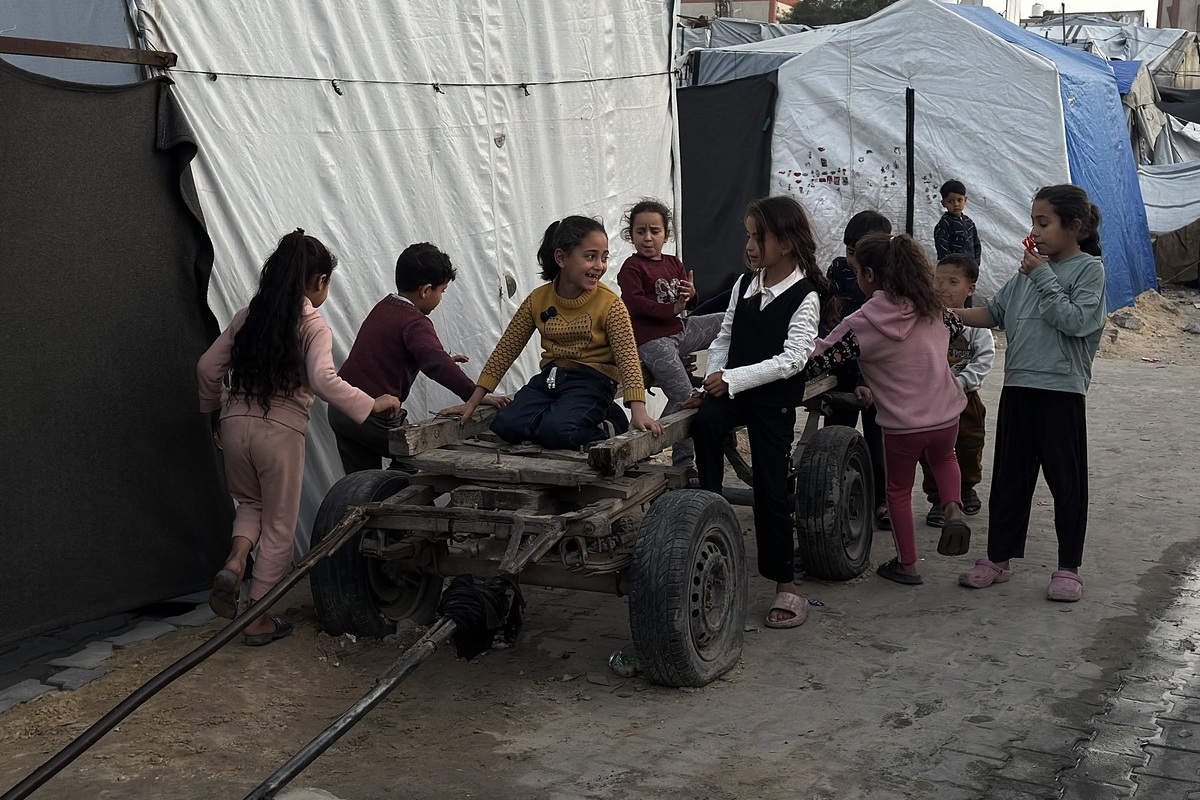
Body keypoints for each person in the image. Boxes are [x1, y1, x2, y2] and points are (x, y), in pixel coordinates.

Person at [197, 229, 401, 644]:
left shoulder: (248, 317)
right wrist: (371, 404)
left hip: (235, 424)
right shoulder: (312, 324)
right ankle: (257, 618)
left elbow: (206, 368)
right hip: (280, 431)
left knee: (250, 503)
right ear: (319, 281)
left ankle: (236, 562)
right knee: (278, 527)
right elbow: (323, 380)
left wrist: (215, 414)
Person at [684, 196, 834, 629]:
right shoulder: (744, 284)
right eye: (748, 235)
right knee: (707, 425)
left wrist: (733, 379)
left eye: (758, 237)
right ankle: (710, 521)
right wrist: (714, 379)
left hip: (773, 400)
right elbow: (724, 337)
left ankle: (786, 586)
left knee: (771, 487)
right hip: (734, 391)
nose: (750, 245)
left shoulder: (805, 294)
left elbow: (792, 360)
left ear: (786, 243)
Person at [954, 184, 1106, 602]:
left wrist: (1041, 275)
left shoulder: (1089, 270)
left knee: (1066, 482)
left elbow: (1074, 321)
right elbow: (994, 313)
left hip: (1060, 392)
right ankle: (998, 559)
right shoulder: (1026, 273)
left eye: (1044, 222)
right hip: (1019, 387)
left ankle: (1068, 568)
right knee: (1009, 479)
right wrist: (946, 316)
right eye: (1033, 222)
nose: (1035, 231)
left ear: (1074, 226)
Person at [806, 233, 970, 586]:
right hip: (945, 416)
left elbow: (819, 359)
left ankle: (907, 565)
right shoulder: (933, 309)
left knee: (897, 490)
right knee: (946, 459)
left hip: (902, 427)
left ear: (868, 274)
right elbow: (956, 328)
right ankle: (953, 507)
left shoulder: (860, 323)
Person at [443, 216, 663, 446]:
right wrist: (472, 401)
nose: (599, 265)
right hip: (551, 378)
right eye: (590, 256)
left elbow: (628, 358)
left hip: (593, 381)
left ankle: (609, 426)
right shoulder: (538, 299)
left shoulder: (610, 305)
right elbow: (506, 350)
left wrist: (638, 409)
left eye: (604, 257)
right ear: (561, 258)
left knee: (557, 432)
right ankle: (574, 417)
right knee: (505, 425)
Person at [328, 242, 509, 474]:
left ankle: (364, 504)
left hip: (341, 409)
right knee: (416, 455)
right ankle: (404, 499)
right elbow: (434, 362)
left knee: (360, 482)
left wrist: (441, 359)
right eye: (441, 291)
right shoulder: (415, 321)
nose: (441, 298)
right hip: (371, 415)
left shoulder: (384, 306)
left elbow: (399, 354)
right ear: (426, 291)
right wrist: (474, 395)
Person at [616, 199, 721, 472]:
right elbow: (635, 304)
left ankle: (732, 378)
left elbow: (685, 304)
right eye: (641, 232)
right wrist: (671, 309)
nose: (648, 238)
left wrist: (692, 295)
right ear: (631, 235)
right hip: (652, 340)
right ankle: (679, 462)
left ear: (666, 234)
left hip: (679, 330)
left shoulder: (674, 262)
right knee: (685, 397)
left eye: (654, 231)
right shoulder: (631, 268)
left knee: (726, 322)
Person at [824, 210, 891, 530]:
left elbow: (879, 339)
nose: (852, 260)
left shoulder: (889, 279)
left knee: (879, 440)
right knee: (837, 434)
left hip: (877, 370)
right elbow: (828, 312)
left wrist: (867, 378)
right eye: (849, 251)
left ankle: (882, 501)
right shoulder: (838, 269)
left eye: (858, 253)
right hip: (841, 366)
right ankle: (833, 496)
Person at [920, 253, 994, 527]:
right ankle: (938, 498)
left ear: (970, 288)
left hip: (966, 400)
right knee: (932, 450)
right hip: (931, 401)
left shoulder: (975, 324)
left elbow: (983, 360)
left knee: (969, 444)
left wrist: (959, 384)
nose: (943, 288)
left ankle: (965, 488)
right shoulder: (926, 321)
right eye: (938, 281)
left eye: (953, 281)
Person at [934, 179, 982, 267]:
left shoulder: (969, 223)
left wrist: (975, 264)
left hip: (970, 269)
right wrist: (951, 268)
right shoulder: (944, 224)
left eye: (959, 200)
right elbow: (942, 250)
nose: (956, 204)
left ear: (965, 200)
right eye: (951, 202)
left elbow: (977, 245)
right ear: (943, 203)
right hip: (953, 270)